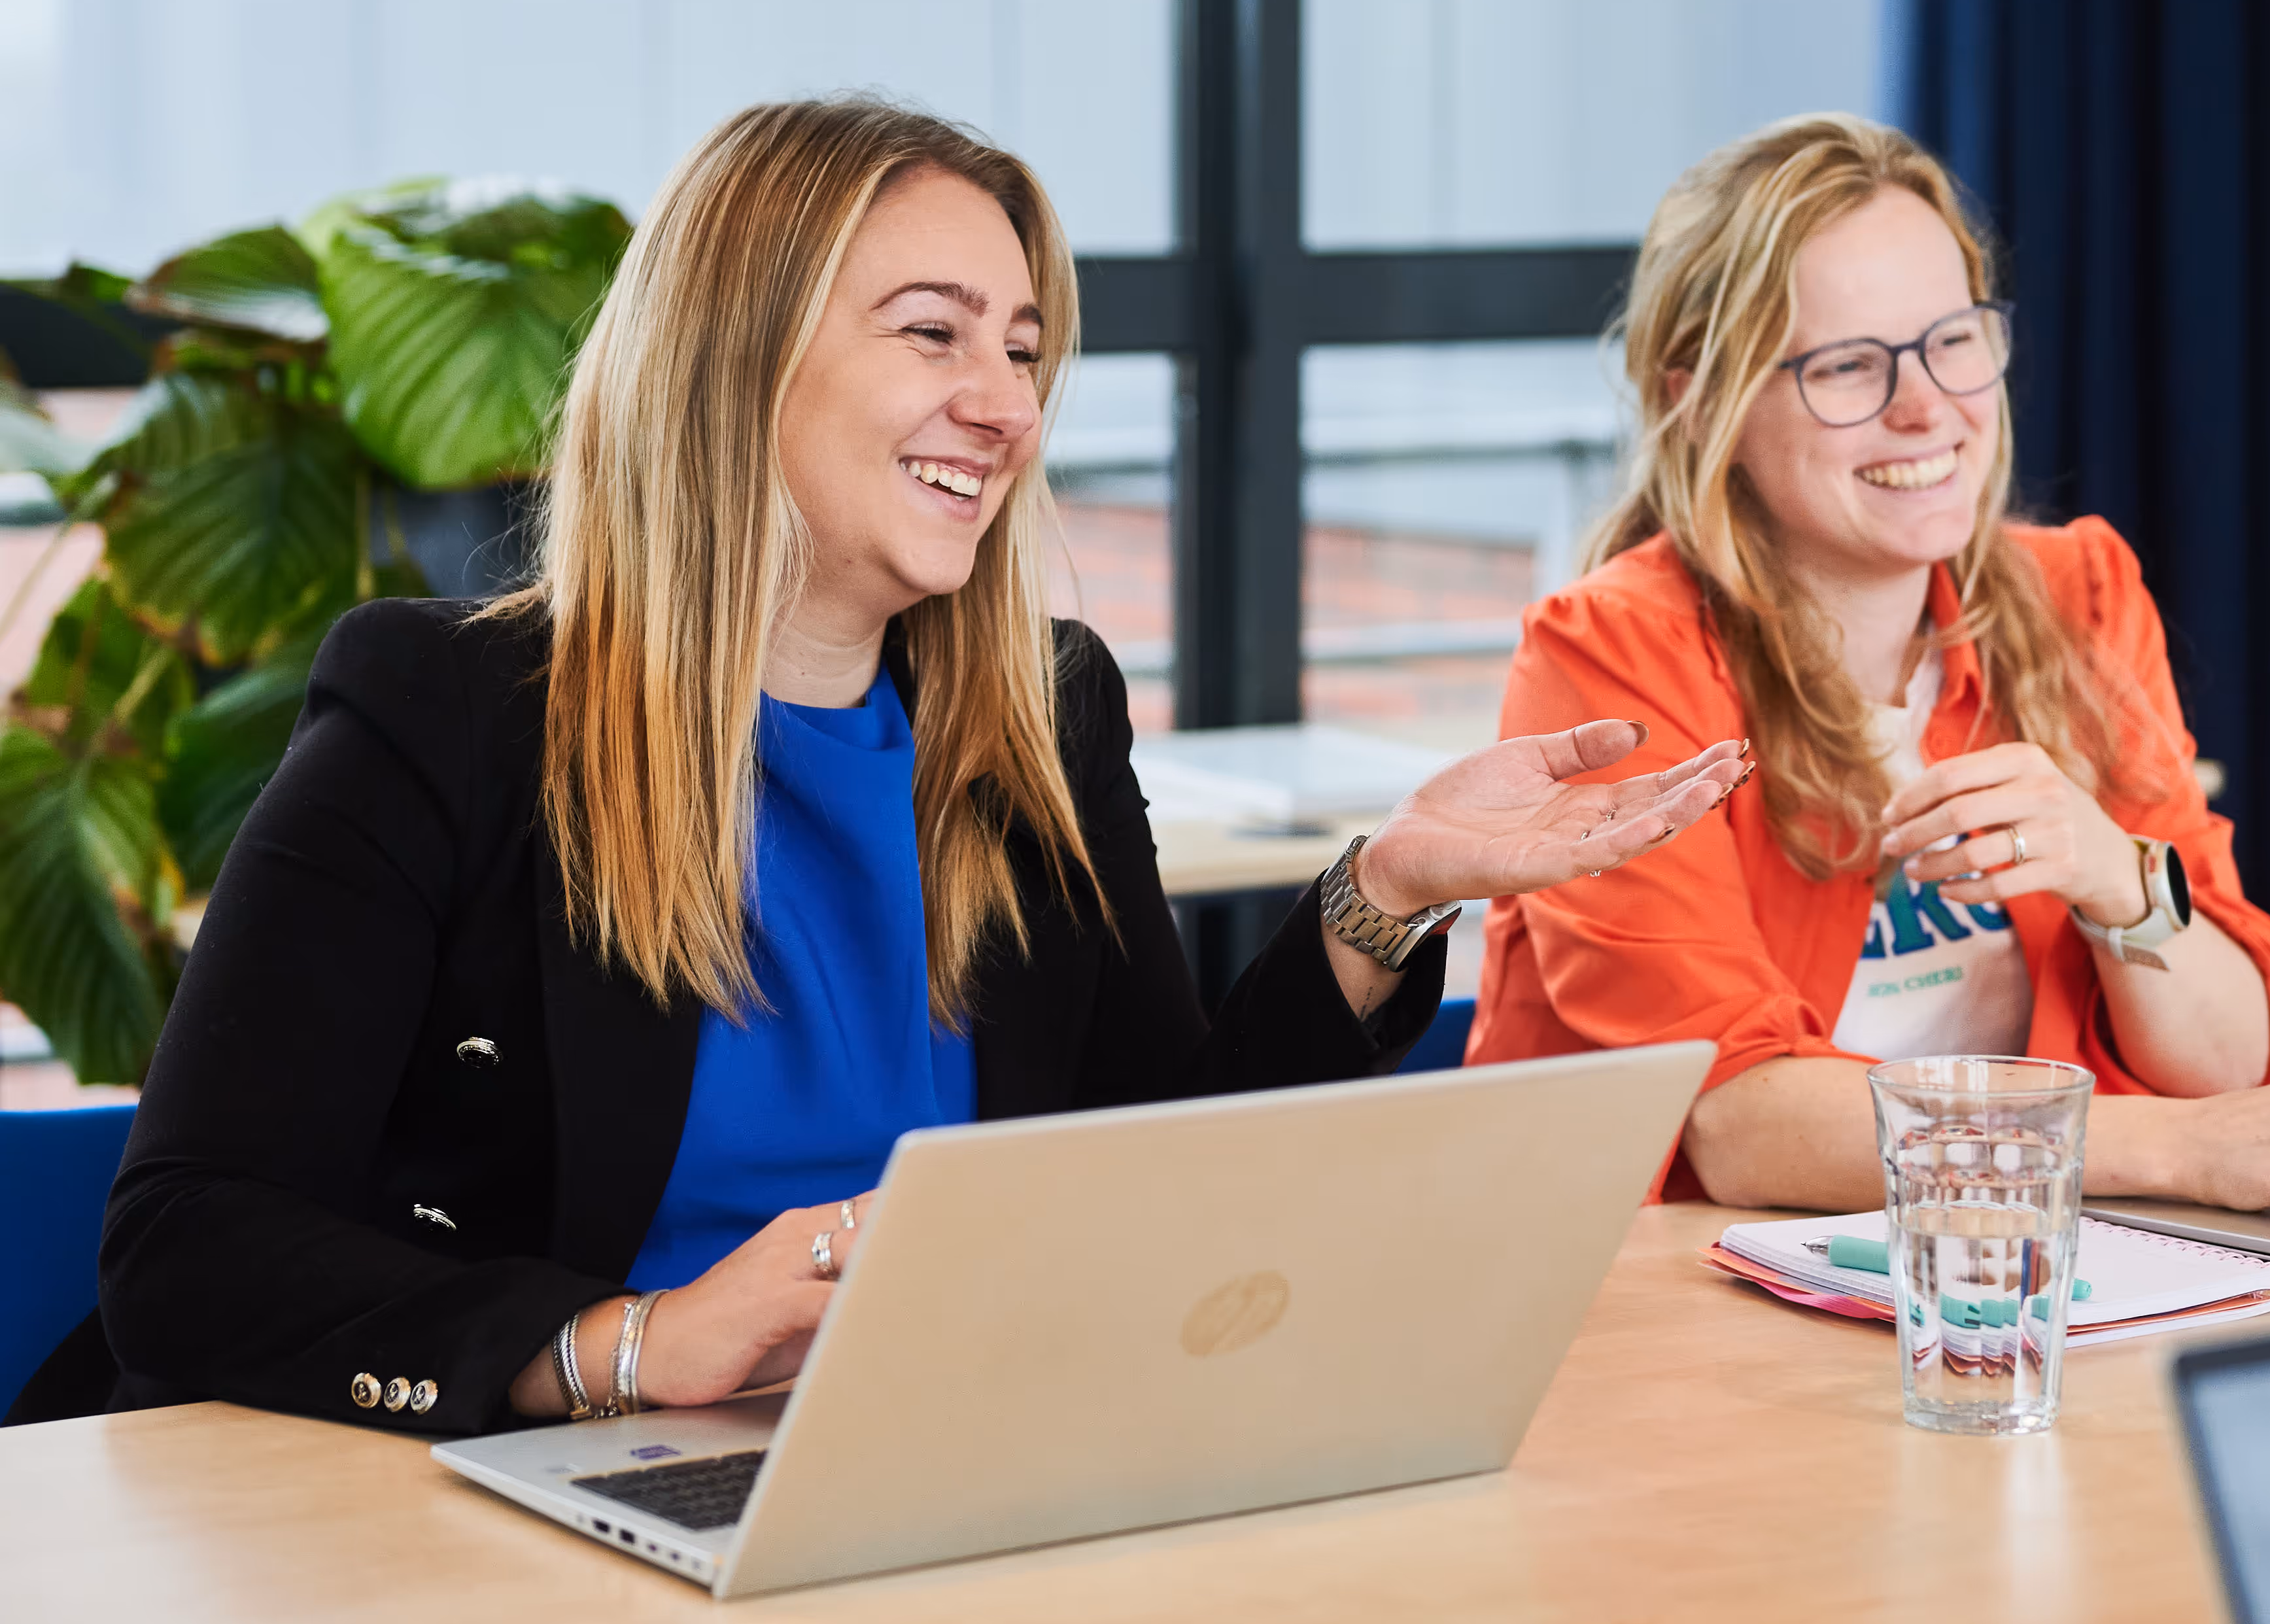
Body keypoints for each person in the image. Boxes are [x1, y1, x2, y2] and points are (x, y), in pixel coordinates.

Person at [21, 96, 1744, 1437]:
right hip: (499, 1501)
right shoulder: (449, 722)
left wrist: (1380, 902)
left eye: (1021, 350)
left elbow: (1156, 1170)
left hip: (900, 1465)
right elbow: (192, 1246)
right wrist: (619, 1348)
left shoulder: (1039, 717)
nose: (999, 403)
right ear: (734, 356)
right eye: (931, 333)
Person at [1466, 113, 2270, 1218]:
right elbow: (1739, 1125)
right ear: (1694, 398)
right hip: (1675, 1290)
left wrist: (2115, 879)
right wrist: (2176, 1150)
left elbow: (2226, 1064)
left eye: (1953, 340)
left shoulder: (2076, 590)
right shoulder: (1608, 653)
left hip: (2001, 1264)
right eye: (1848, 366)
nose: (1928, 407)